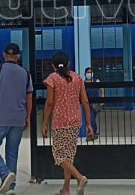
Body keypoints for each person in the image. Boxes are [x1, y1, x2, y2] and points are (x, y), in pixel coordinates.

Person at [0, 43, 33, 195]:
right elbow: (29, 97)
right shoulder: (25, 73)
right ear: (18, 56)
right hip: (18, 119)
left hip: (0, 118)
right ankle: (10, 188)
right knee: (12, 152)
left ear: (4, 54)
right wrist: (27, 116)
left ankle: (4, 174)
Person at [42, 52, 93, 195]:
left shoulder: (52, 78)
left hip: (60, 122)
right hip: (75, 121)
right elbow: (85, 101)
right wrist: (88, 123)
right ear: (68, 63)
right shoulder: (77, 78)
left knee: (59, 155)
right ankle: (65, 189)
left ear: (53, 66)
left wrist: (45, 123)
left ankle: (79, 177)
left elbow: (50, 102)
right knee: (68, 156)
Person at [83, 67, 105, 141]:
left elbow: (102, 90)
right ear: (85, 74)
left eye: (90, 72)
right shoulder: (84, 83)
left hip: (95, 103)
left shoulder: (96, 81)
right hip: (87, 103)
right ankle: (91, 135)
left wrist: (102, 100)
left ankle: (94, 133)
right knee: (88, 119)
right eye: (88, 72)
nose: (89, 74)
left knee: (92, 119)